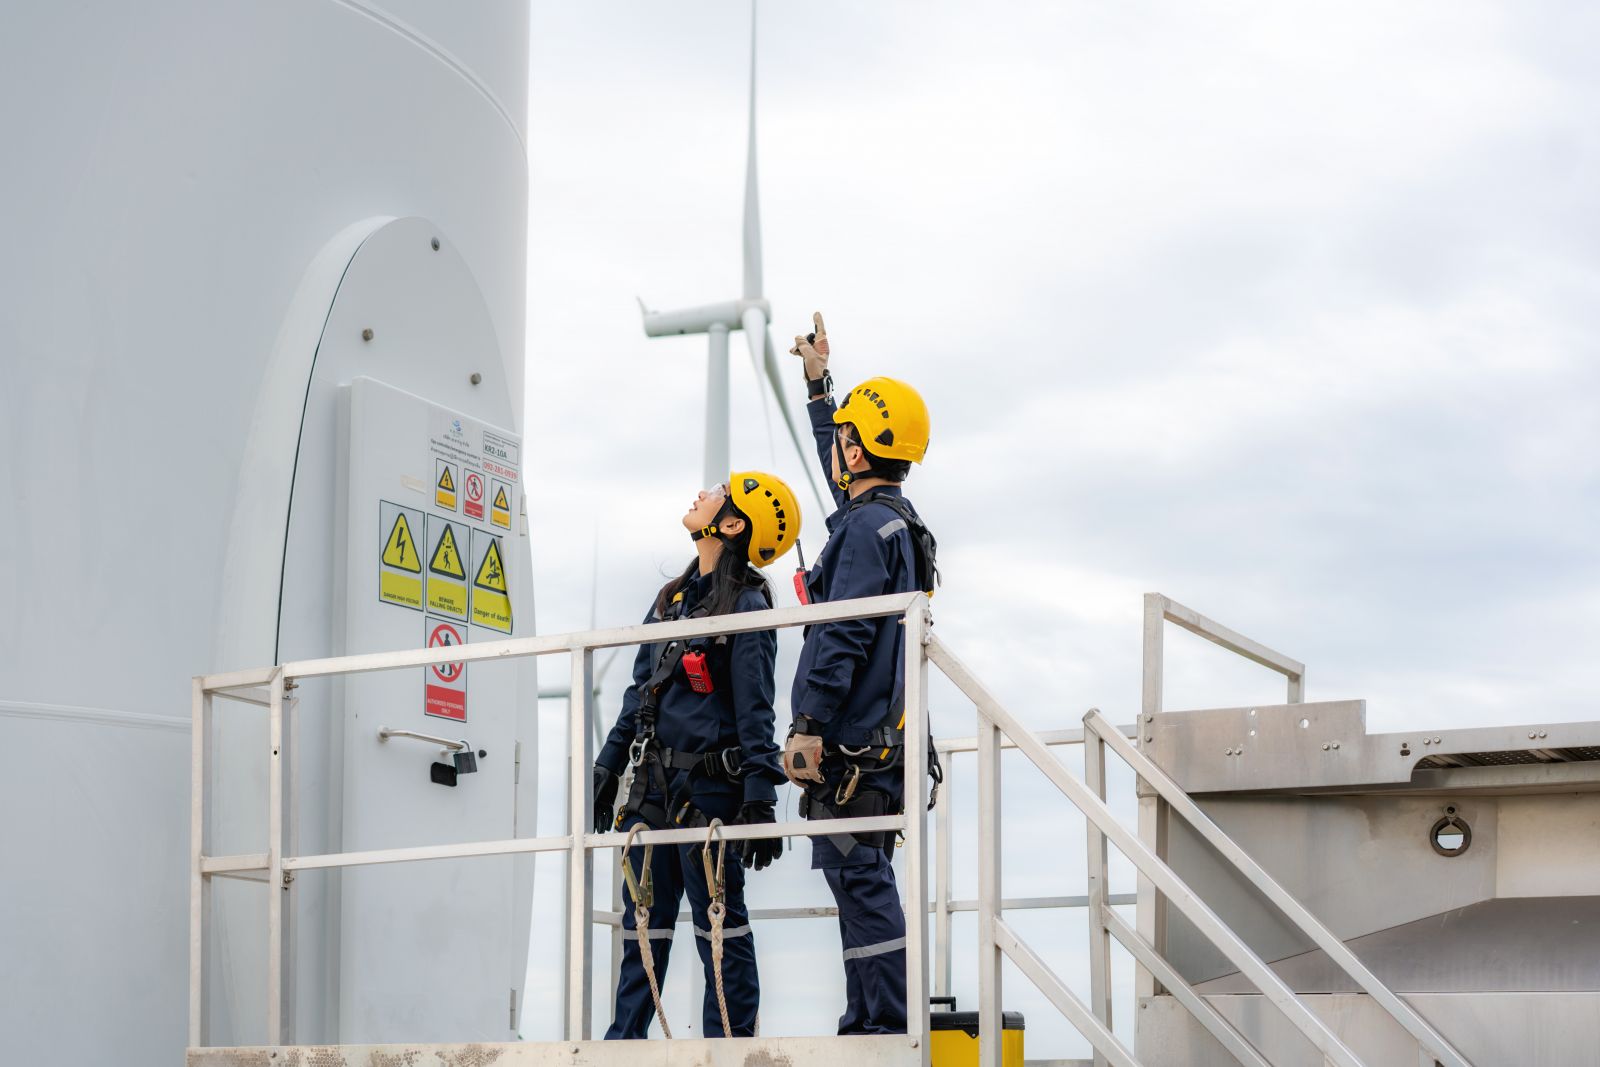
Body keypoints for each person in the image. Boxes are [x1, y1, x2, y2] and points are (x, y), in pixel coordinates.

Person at [592, 471, 800, 1039]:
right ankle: (623, 1048)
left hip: (708, 795)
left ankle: (730, 1048)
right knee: (642, 935)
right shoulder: (671, 603)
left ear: (731, 524)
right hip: (650, 791)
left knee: (720, 935)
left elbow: (756, 710)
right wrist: (607, 769)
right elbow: (640, 695)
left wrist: (760, 799)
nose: (699, 493)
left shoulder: (749, 606)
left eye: (713, 491)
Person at [782, 313, 939, 1036]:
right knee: (859, 877)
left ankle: (884, 1024)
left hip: (848, 744)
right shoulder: (892, 522)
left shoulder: (859, 531)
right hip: (884, 748)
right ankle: (866, 1020)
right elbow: (839, 459)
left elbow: (842, 633)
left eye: (844, 433)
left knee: (860, 882)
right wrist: (821, 389)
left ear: (861, 446)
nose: (835, 445)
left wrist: (808, 723)